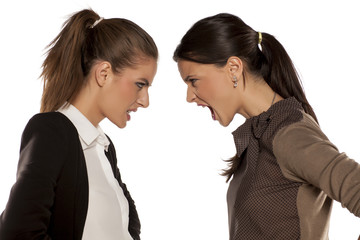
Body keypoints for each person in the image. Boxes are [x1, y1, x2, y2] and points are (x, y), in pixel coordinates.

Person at [173, 13, 360, 239]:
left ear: (233, 68)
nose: (189, 96)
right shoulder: (261, 134)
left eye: (193, 81)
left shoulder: (289, 134)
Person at [0, 9, 157, 240]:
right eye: (140, 84)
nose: (145, 101)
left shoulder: (103, 147)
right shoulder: (52, 131)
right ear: (104, 74)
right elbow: (18, 232)